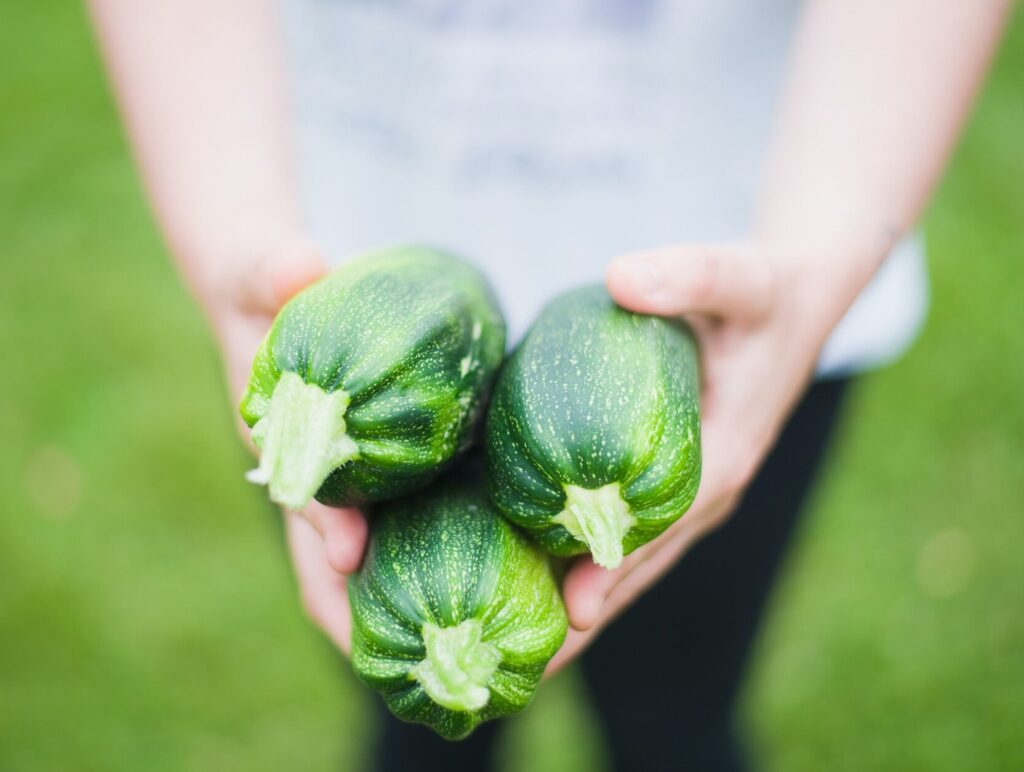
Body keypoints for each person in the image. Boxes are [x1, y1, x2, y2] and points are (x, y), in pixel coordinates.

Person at [88, 1, 1009, 769]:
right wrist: (229, 236)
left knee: (677, 714)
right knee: (419, 727)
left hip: (755, 280)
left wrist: (822, 260)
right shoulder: (318, 372)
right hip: (345, 276)